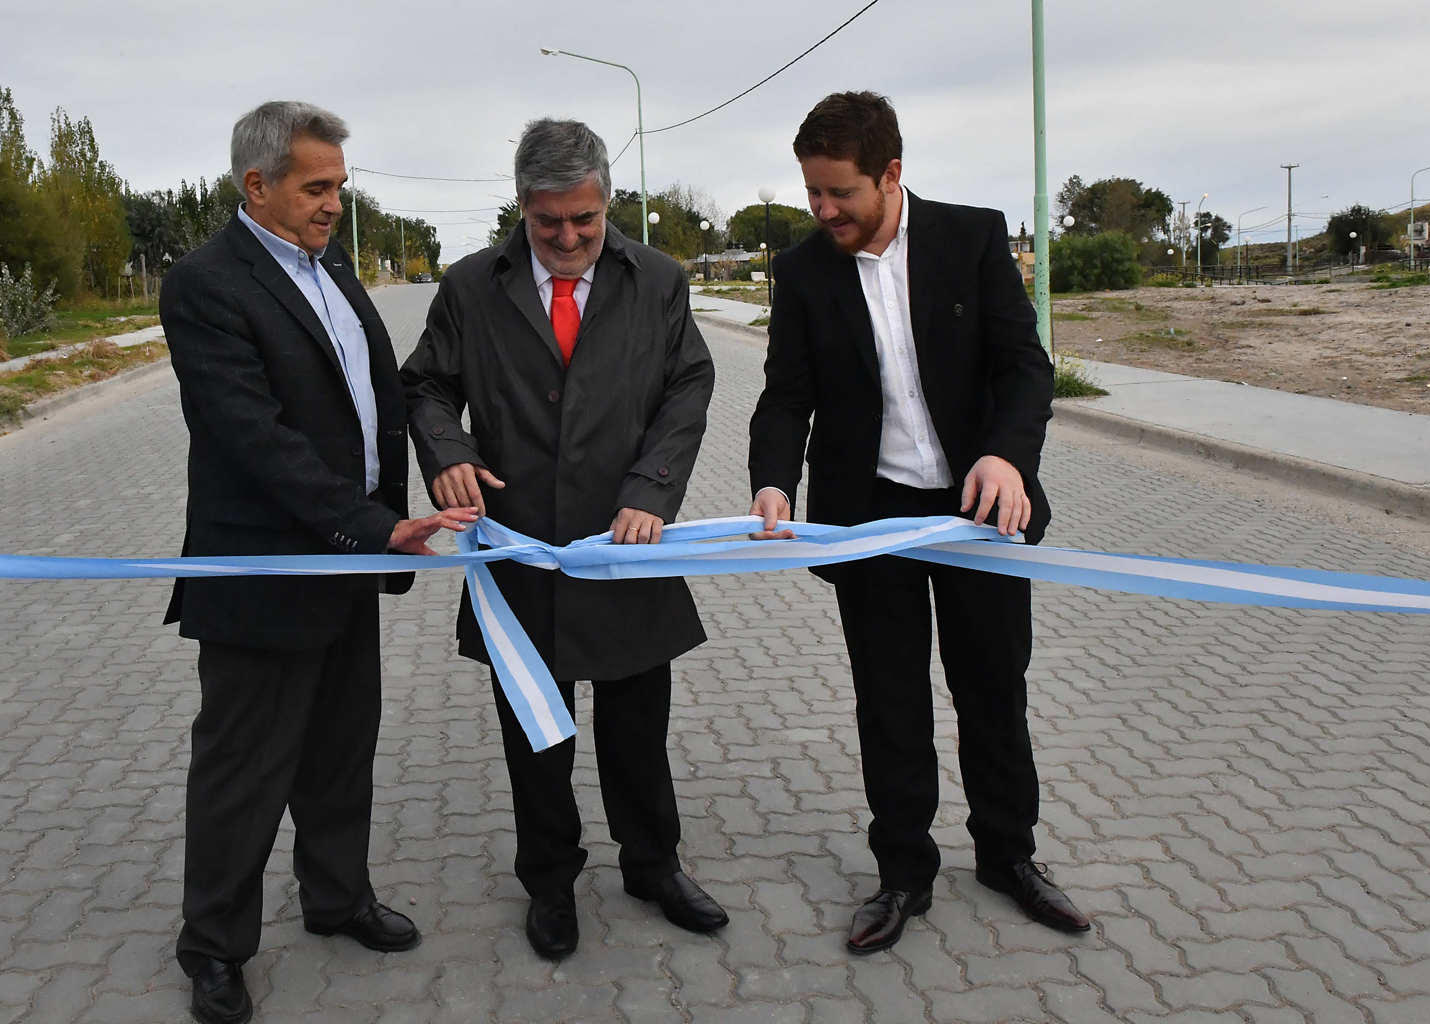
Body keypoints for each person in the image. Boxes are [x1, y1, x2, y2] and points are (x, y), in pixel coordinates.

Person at [746, 91, 1089, 955]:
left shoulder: (971, 239)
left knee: (992, 691)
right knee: (889, 702)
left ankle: (1010, 858)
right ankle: (903, 871)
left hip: (978, 510)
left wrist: (1007, 455)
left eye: (841, 194)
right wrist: (774, 485)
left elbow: (1024, 367)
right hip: (872, 517)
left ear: (891, 175)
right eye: (812, 195)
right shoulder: (804, 270)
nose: (823, 212)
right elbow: (786, 397)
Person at [160, 100, 476, 1024]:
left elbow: (373, 398)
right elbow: (252, 438)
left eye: (340, 184)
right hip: (263, 578)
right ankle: (214, 947)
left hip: (345, 565)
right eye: (316, 187)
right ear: (256, 185)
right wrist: (368, 524)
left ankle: (338, 899)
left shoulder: (330, 269)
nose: (335, 202)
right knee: (244, 768)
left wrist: (413, 489)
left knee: (342, 750)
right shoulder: (206, 284)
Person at [401, 118, 723, 961]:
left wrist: (653, 489)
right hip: (521, 550)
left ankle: (653, 865)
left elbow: (689, 384)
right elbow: (428, 385)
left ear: (607, 201)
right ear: (522, 209)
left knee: (636, 723)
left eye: (586, 219)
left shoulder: (656, 280)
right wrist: (448, 455)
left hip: (627, 542)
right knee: (536, 734)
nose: (571, 238)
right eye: (551, 224)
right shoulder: (472, 287)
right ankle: (549, 881)